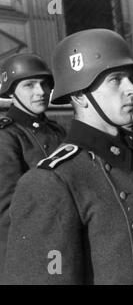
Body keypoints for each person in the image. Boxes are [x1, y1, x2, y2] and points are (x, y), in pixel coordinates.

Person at [3, 29, 133, 285]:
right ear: (80, 94)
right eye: (116, 79)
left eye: (130, 78)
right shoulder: (51, 181)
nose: (132, 90)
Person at [0, 53, 66, 280]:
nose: (41, 92)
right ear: (10, 91)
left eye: (45, 84)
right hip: (31, 254)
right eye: (29, 85)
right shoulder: (7, 137)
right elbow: (8, 211)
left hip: (64, 244)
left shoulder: (57, 132)